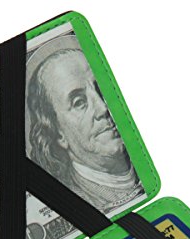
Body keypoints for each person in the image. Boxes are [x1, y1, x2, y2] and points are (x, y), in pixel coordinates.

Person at [26, 35, 144, 213]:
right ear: (58, 133)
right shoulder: (71, 202)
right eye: (79, 102)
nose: (103, 108)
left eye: (100, 89)